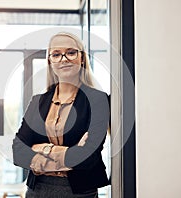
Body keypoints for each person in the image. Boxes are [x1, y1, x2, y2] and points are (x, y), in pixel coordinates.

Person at [12, 32, 110, 198]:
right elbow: (18, 151)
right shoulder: (37, 102)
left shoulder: (98, 100)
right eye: (56, 54)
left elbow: (88, 158)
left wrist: (38, 150)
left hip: (79, 192)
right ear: (50, 61)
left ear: (82, 58)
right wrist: (69, 153)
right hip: (37, 191)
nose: (64, 59)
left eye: (71, 52)